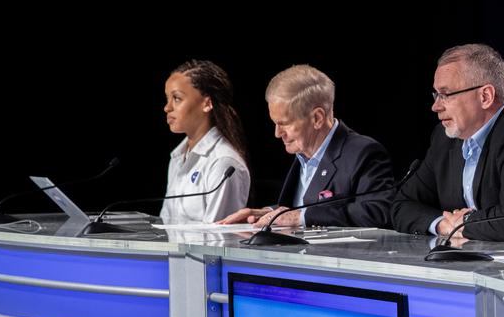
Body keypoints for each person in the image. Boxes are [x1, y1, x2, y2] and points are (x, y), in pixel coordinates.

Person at [390, 44, 504, 244]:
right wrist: (444, 224)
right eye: (436, 95)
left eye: (446, 94)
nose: (435, 106)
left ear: (485, 97)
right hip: (476, 264)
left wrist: (464, 222)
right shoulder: (444, 138)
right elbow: (402, 205)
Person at [219, 65, 393, 229]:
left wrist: (302, 218)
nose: (277, 134)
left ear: (317, 118)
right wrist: (269, 213)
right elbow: (301, 206)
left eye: (284, 123)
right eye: (275, 123)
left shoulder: (363, 153)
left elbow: (379, 211)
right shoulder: (303, 152)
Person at [160, 59, 251, 224]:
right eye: (167, 98)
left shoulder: (223, 162)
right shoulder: (177, 157)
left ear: (207, 104)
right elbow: (166, 224)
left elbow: (217, 239)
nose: (167, 108)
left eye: (177, 98)